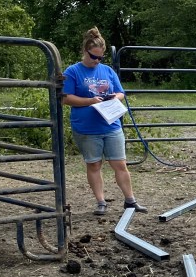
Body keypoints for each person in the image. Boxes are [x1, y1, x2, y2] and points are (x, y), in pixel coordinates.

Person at [62, 27, 147, 217]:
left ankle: (130, 200)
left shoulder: (107, 71)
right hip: (86, 128)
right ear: (85, 51)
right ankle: (101, 202)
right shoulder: (73, 71)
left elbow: (121, 92)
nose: (97, 61)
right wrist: (90, 101)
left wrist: (115, 97)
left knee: (120, 164)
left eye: (100, 57)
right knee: (94, 164)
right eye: (94, 57)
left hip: (111, 124)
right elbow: (66, 98)